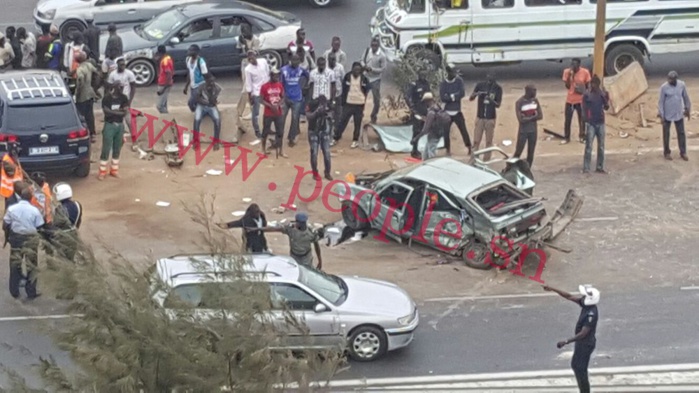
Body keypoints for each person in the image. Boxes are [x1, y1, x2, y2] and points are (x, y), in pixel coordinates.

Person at [544, 284, 600, 393]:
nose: (581, 298)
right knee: (576, 366)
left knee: (580, 369)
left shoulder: (591, 314)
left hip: (586, 344)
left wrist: (566, 341)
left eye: (584, 296)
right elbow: (569, 296)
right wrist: (553, 288)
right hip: (581, 343)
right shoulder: (586, 305)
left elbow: (583, 333)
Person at [4, 188, 44, 300]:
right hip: (30, 240)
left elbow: (6, 223)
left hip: (16, 239)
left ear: (20, 197)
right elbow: (40, 226)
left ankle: (14, 291)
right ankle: (31, 292)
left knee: (15, 264)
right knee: (31, 265)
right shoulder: (34, 210)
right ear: (31, 198)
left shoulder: (12, 209)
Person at [257, 212, 323, 269]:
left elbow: (316, 245)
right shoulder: (291, 229)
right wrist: (257, 229)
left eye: (299, 222)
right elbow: (275, 229)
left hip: (306, 258)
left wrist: (320, 260)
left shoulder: (311, 232)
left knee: (306, 272)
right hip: (294, 256)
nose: (297, 223)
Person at [333, 62, 369, 146]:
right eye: (355, 70)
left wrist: (364, 103)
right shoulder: (347, 77)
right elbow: (344, 89)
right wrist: (343, 102)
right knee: (342, 121)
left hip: (359, 104)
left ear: (360, 71)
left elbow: (366, 90)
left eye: (358, 70)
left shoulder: (364, 79)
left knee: (357, 123)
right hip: (348, 103)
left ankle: (355, 140)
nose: (357, 71)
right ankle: (336, 138)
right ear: (352, 69)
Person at [658, 70, 691, 161]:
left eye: (672, 79)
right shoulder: (664, 87)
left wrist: (687, 109)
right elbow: (660, 102)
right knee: (666, 134)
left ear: (675, 79)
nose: (670, 81)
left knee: (681, 133)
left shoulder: (681, 85)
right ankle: (667, 152)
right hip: (667, 115)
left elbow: (686, 98)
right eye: (669, 79)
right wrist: (662, 115)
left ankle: (683, 152)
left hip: (678, 113)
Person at [440, 64, 471, 156]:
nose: (455, 74)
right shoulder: (443, 83)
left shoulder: (459, 81)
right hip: (447, 112)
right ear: (448, 72)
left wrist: (450, 96)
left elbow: (462, 93)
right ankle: (447, 150)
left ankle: (469, 147)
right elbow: (442, 98)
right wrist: (454, 96)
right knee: (446, 132)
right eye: (453, 72)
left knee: (463, 130)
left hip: (457, 111)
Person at [470, 73, 503, 161]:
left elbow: (498, 104)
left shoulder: (498, 88)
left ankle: (486, 160)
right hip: (480, 116)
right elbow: (471, 98)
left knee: (488, 142)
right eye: (488, 76)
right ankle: (473, 160)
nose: (490, 78)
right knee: (476, 140)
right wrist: (477, 94)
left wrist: (491, 100)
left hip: (490, 118)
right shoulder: (480, 85)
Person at [99, 85, 129, 180]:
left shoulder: (124, 98)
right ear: (114, 88)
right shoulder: (107, 98)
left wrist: (112, 111)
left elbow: (124, 113)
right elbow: (106, 112)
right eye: (119, 87)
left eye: (122, 87)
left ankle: (114, 170)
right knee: (106, 148)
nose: (121, 89)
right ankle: (102, 172)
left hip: (120, 126)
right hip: (109, 125)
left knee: (117, 148)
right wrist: (118, 112)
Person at [581, 75, 610, 174]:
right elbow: (584, 111)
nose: (592, 86)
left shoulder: (600, 94)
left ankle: (598, 167)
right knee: (590, 146)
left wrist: (607, 97)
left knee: (599, 146)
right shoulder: (587, 95)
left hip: (599, 122)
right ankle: (587, 168)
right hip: (592, 123)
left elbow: (606, 107)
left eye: (594, 84)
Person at [236, 23, 261, 131]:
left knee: (246, 90)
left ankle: (238, 112)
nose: (244, 33)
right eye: (243, 31)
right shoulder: (240, 39)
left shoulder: (255, 40)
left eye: (246, 31)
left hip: (252, 66)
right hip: (244, 65)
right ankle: (252, 111)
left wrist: (245, 46)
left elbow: (253, 55)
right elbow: (239, 54)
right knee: (247, 90)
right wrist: (241, 45)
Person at [281, 54, 309, 148]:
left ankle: (291, 137)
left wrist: (305, 86)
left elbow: (308, 76)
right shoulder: (284, 70)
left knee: (295, 118)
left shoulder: (301, 70)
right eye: (294, 60)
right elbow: (280, 84)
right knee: (281, 117)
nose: (295, 62)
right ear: (290, 60)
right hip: (286, 98)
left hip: (297, 98)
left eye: (297, 61)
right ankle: (279, 136)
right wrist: (283, 95)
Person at [412, 93, 451, 160]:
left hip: (433, 135)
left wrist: (416, 138)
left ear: (427, 101)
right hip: (439, 133)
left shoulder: (431, 112)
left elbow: (425, 130)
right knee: (425, 154)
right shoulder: (438, 107)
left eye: (424, 102)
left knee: (431, 157)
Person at [561, 58, 591, 144]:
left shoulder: (585, 72)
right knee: (567, 120)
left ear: (579, 65)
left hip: (580, 100)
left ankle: (582, 136)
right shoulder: (567, 72)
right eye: (572, 64)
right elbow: (567, 86)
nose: (573, 66)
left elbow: (588, 85)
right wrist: (570, 76)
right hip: (570, 100)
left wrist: (585, 93)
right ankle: (567, 137)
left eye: (575, 64)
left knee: (582, 119)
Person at [51, 182, 83, 262]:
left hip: (63, 236)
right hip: (74, 232)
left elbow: (56, 223)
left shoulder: (59, 209)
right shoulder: (77, 204)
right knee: (72, 255)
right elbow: (79, 220)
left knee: (64, 258)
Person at [514, 84, 544, 168]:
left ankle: (528, 169)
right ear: (527, 91)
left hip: (533, 131)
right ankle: (510, 168)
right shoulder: (519, 102)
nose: (535, 92)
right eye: (533, 90)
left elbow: (540, 116)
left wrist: (528, 118)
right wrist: (533, 117)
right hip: (523, 131)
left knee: (531, 153)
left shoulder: (535, 100)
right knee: (518, 151)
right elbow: (521, 120)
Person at [245, 50, 271, 141]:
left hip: (267, 90)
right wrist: (250, 97)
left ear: (255, 56)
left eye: (252, 56)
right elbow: (248, 83)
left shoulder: (263, 61)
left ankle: (268, 128)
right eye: (249, 58)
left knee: (269, 110)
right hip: (257, 92)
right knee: (255, 113)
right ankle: (257, 131)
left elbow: (268, 74)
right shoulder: (248, 69)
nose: (251, 59)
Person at [193, 73, 222, 150]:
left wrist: (214, 101)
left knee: (217, 120)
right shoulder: (201, 87)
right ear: (206, 81)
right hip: (201, 106)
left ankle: (216, 141)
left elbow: (215, 100)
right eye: (210, 82)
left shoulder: (217, 88)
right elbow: (197, 98)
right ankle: (196, 141)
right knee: (197, 120)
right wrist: (204, 102)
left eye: (213, 82)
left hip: (211, 106)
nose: (212, 84)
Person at [260, 68, 286, 157]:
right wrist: (270, 106)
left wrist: (278, 104)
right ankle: (263, 150)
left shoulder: (280, 85)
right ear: (271, 76)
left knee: (280, 132)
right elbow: (261, 99)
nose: (277, 77)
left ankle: (281, 150)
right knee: (265, 131)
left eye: (278, 75)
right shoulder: (264, 86)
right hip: (268, 113)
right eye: (275, 76)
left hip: (278, 113)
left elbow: (283, 97)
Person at [406, 70, 431, 159]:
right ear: (418, 75)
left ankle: (427, 149)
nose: (423, 76)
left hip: (425, 110)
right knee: (416, 130)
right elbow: (407, 97)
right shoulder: (414, 85)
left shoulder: (426, 84)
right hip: (417, 111)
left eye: (424, 75)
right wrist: (412, 108)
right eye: (421, 75)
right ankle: (414, 150)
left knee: (425, 129)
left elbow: (429, 96)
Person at [307, 96, 334, 181]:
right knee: (314, 153)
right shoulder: (312, 104)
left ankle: (327, 173)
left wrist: (327, 114)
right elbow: (308, 116)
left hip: (324, 130)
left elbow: (332, 116)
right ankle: (315, 173)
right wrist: (316, 112)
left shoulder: (329, 105)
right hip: (313, 131)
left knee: (326, 153)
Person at [361, 38, 387, 124]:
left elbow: (382, 69)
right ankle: (360, 113)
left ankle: (373, 115)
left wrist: (372, 69)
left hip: (375, 79)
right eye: (372, 45)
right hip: (366, 77)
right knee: (362, 97)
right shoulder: (367, 51)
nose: (373, 47)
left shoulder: (382, 56)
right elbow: (361, 60)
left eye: (375, 45)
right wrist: (364, 66)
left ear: (378, 46)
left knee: (376, 100)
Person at [75, 52, 99, 143]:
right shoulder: (89, 65)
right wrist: (94, 86)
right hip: (90, 93)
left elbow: (80, 81)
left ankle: (84, 133)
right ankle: (93, 134)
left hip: (82, 96)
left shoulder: (80, 69)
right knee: (90, 114)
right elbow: (96, 73)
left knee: (82, 115)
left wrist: (77, 92)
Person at [183, 45, 208, 113]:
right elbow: (189, 73)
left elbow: (206, 75)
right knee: (199, 101)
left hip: (200, 85)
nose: (189, 52)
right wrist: (186, 86)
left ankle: (201, 112)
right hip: (193, 86)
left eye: (191, 50)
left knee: (191, 103)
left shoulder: (201, 62)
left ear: (196, 52)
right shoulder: (188, 59)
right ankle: (205, 110)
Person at [1, 143, 24, 209]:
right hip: (10, 190)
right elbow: (11, 172)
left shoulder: (14, 159)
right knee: (11, 209)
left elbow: (19, 171)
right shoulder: (7, 161)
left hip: (16, 189)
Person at [327, 53, 345, 137]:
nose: (332, 61)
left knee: (338, 113)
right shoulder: (325, 68)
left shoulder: (340, 67)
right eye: (330, 59)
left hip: (338, 94)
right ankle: (327, 130)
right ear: (328, 59)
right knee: (327, 113)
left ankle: (336, 131)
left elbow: (343, 80)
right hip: (327, 95)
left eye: (333, 59)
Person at [155, 45, 174, 114]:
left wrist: (164, 89)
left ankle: (166, 118)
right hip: (163, 83)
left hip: (164, 84)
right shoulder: (167, 58)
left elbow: (169, 74)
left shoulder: (165, 61)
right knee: (164, 103)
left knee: (159, 106)